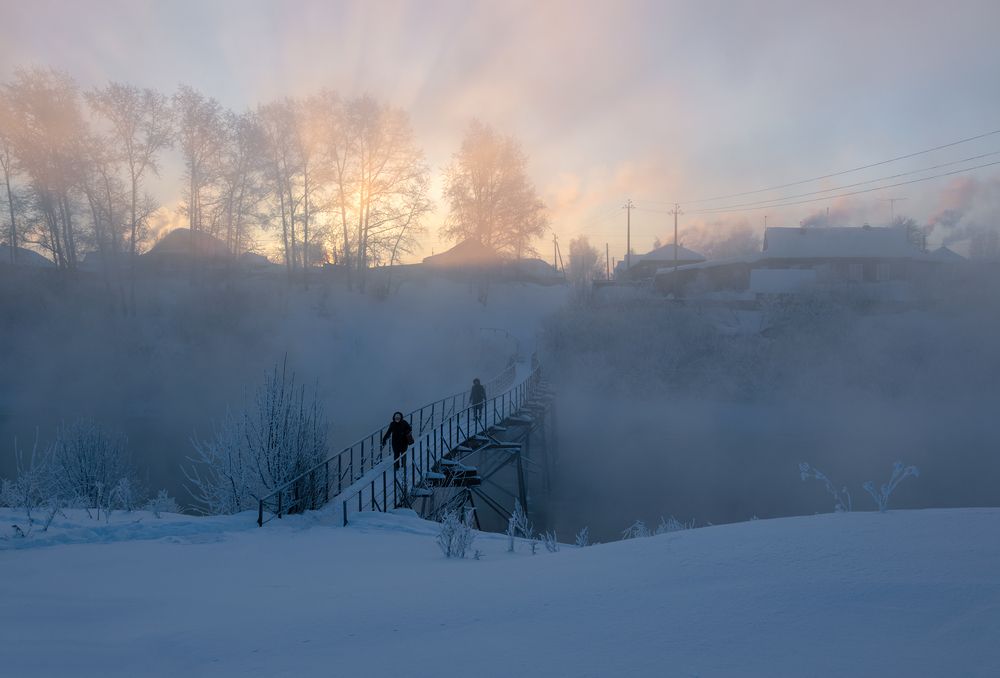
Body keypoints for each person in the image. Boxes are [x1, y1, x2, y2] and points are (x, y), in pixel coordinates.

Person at [380, 411, 413, 481]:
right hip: (395, 442)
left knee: (403, 454)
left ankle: (404, 466)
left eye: (398, 418)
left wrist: (406, 431)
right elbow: (388, 432)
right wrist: (384, 439)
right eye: (396, 418)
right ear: (394, 418)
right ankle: (396, 467)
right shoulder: (392, 424)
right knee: (396, 455)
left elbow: (410, 428)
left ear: (401, 418)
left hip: (404, 442)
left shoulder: (404, 423)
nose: (397, 419)